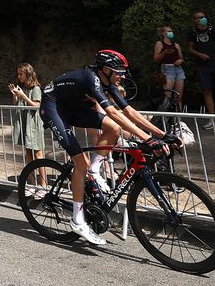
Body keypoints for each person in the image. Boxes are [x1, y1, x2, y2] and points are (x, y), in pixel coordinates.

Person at [39, 50, 174, 246]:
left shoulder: (108, 83)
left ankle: (94, 170)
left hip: (72, 108)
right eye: (119, 71)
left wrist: (161, 135)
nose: (123, 76)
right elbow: (112, 112)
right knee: (80, 162)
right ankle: (78, 220)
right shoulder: (90, 78)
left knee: (114, 128)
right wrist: (146, 139)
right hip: (53, 108)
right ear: (105, 69)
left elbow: (128, 111)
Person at [188, 11, 215, 127]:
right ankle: (213, 119)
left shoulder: (213, 31)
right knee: (207, 91)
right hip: (203, 66)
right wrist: (199, 54)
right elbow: (190, 49)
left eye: (203, 17)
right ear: (195, 20)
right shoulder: (192, 33)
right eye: (199, 18)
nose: (202, 19)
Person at [9, 63, 45, 192]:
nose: (19, 77)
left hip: (33, 124)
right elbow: (16, 104)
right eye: (18, 74)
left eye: (21, 74)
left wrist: (23, 96)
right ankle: (32, 183)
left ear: (28, 74)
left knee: (38, 154)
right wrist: (15, 95)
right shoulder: (23, 88)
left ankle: (43, 185)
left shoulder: (36, 89)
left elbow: (36, 105)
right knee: (28, 154)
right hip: (25, 122)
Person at [153, 26, 185, 111]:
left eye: (172, 31)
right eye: (168, 31)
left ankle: (178, 117)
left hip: (178, 69)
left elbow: (181, 57)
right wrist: (164, 52)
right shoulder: (159, 44)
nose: (171, 33)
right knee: (168, 96)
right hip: (167, 69)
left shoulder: (176, 45)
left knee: (179, 96)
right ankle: (166, 118)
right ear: (163, 33)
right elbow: (155, 58)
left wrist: (180, 61)